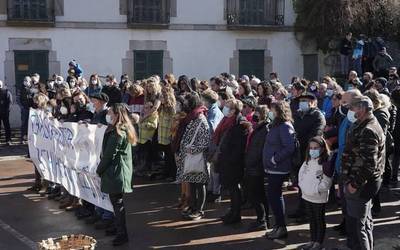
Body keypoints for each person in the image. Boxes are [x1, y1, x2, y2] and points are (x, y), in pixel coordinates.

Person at [341, 96, 385, 250]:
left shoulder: (368, 129)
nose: (351, 111)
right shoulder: (361, 125)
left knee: (357, 227)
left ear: (362, 109)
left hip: (361, 184)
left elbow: (369, 164)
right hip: (359, 181)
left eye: (353, 108)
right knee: (364, 223)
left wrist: (354, 184)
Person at [96, 103, 136, 246]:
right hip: (117, 171)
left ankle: (122, 234)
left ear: (117, 114)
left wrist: (99, 169)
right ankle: (117, 228)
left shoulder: (118, 132)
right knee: (115, 202)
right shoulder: (120, 129)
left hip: (117, 172)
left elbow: (109, 155)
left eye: (111, 112)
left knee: (117, 203)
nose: (109, 115)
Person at [172, 93, 210, 220]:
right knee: (192, 184)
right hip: (189, 157)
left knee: (200, 185)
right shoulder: (192, 117)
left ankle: (199, 210)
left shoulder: (200, 119)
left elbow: (205, 141)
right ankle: (193, 206)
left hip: (197, 158)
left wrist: (191, 149)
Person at [263, 101, 295, 239]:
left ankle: (281, 227)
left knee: (275, 196)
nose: (271, 111)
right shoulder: (276, 125)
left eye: (273, 109)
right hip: (272, 168)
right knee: (273, 196)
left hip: (278, 168)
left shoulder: (284, 126)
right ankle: (278, 226)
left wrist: (275, 159)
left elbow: (289, 147)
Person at [332, 89, 362, 236]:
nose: (342, 105)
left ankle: (352, 233)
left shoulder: (359, 121)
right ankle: (345, 223)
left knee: (351, 204)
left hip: (351, 169)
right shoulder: (346, 118)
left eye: (345, 102)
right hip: (341, 165)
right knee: (344, 202)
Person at [292, 93, 326, 221]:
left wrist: (303, 142)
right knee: (301, 183)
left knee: (309, 183)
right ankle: (301, 209)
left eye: (305, 101)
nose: (302, 103)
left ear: (313, 102)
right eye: (301, 101)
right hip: (298, 153)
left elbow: (316, 135)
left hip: (310, 153)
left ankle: (307, 213)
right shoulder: (298, 115)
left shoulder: (317, 116)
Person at [214, 99, 248, 225]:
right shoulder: (228, 120)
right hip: (227, 160)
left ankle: (236, 214)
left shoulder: (240, 123)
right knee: (231, 188)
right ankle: (232, 211)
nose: (225, 109)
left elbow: (239, 146)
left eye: (228, 107)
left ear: (234, 110)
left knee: (234, 189)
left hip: (233, 162)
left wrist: (230, 160)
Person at [298, 136, 333, 250]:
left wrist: (316, 189)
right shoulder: (307, 161)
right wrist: (303, 187)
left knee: (319, 219)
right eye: (311, 148)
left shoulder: (326, 163)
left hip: (318, 197)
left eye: (316, 148)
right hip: (307, 195)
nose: (313, 150)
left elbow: (327, 182)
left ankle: (318, 242)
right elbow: (301, 174)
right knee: (311, 219)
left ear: (322, 148)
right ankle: (312, 240)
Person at [245, 105, 270, 231]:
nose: (254, 114)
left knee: (256, 195)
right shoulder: (259, 128)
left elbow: (259, 150)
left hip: (256, 167)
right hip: (254, 165)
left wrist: (251, 162)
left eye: (257, 112)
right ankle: (263, 219)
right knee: (259, 194)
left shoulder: (264, 129)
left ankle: (262, 220)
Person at [201, 89, 224, 202]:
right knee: (211, 169)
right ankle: (211, 189)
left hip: (213, 144)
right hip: (211, 143)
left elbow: (212, 129)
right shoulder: (211, 110)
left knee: (215, 170)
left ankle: (216, 193)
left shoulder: (214, 112)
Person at [158, 85, 176, 181]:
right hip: (162, 135)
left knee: (170, 157)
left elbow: (174, 123)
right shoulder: (162, 107)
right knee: (166, 157)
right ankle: (166, 173)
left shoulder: (172, 109)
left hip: (169, 136)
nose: (160, 99)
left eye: (162, 97)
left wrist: (172, 136)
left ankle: (172, 175)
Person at [137, 102, 158, 176]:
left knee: (147, 156)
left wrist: (145, 124)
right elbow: (139, 123)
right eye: (144, 107)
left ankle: (147, 171)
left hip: (147, 139)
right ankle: (141, 170)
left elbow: (154, 125)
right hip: (140, 139)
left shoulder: (153, 115)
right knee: (141, 156)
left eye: (146, 108)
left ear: (150, 108)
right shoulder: (142, 115)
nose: (144, 109)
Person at [0, 80, 13, 145]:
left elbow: (10, 102)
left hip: (5, 112)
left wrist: (7, 110)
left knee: (7, 126)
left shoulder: (6, 92)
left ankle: (8, 140)